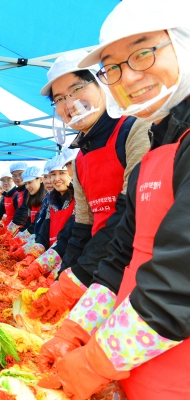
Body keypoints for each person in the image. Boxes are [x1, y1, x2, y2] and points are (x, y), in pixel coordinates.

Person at [42, 3, 190, 399]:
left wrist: (94, 360)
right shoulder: (160, 146)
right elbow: (121, 250)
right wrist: (79, 326)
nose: (130, 75)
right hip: (132, 368)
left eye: (143, 52)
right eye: (114, 66)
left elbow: (180, 283)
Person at [29, 50, 151, 323]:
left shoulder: (135, 130)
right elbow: (82, 224)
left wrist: (79, 276)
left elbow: (128, 214)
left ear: (101, 83)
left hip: (137, 272)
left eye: (76, 89)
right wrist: (66, 274)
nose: (69, 103)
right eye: (59, 99)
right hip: (100, 266)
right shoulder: (81, 156)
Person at [17, 152, 78, 285]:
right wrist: (32, 254)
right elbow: (43, 234)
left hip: (68, 262)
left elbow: (67, 238)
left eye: (61, 173)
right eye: (52, 175)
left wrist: (41, 265)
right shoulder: (51, 201)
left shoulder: (79, 200)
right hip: (51, 258)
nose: (55, 179)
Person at [0, 162, 29, 235]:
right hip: (10, 229)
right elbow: (1, 210)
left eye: (8, 180)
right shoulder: (5, 195)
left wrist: (11, 230)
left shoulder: (18, 194)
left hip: (19, 230)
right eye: (3, 181)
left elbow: (22, 213)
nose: (6, 183)